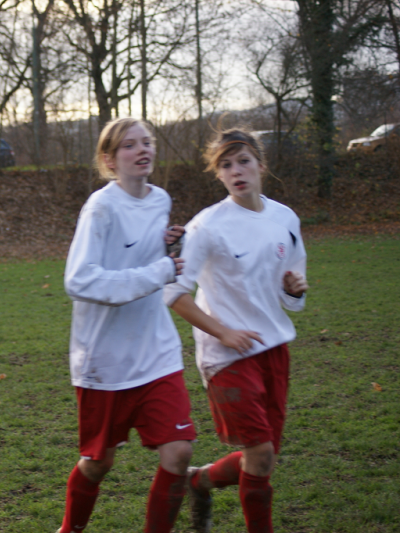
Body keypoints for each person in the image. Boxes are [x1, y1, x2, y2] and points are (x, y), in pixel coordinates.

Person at [163, 128, 308, 533]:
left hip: (274, 349)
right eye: (225, 165)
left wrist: (293, 290)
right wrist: (223, 332)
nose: (236, 171)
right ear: (219, 174)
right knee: (260, 454)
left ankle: (198, 481)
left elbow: (293, 296)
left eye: (243, 161)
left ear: (261, 165)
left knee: (263, 457)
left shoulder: (285, 219)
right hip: (226, 356)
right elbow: (174, 293)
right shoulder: (207, 226)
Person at [58, 117, 196, 533]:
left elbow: (143, 259)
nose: (142, 150)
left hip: (156, 351)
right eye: (130, 145)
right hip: (105, 360)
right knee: (98, 463)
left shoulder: (161, 200)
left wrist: (166, 246)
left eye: (147, 142)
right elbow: (79, 281)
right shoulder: (100, 208)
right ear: (109, 160)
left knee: (179, 452)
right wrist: (159, 270)